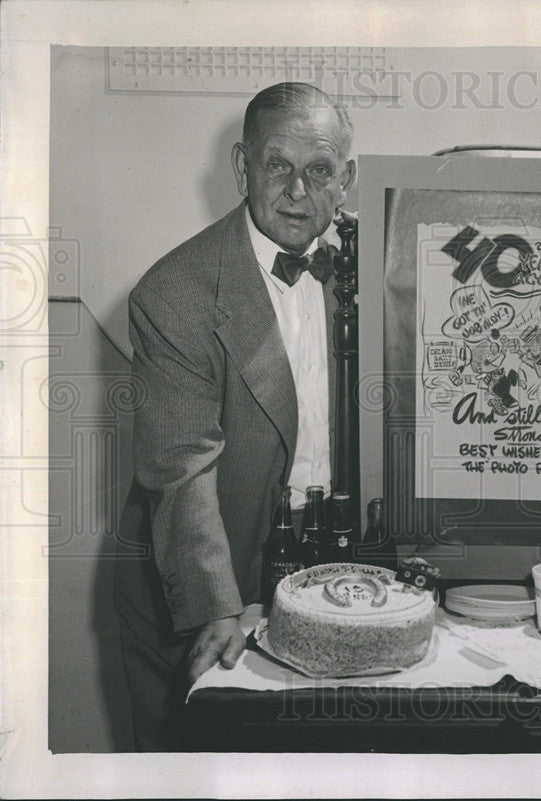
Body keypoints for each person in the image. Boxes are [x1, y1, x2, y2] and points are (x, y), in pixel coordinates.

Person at [113, 82, 356, 751]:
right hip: (198, 568)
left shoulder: (374, 269)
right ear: (242, 166)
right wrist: (216, 603)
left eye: (320, 170)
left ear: (348, 178)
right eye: (278, 165)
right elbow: (180, 466)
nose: (298, 191)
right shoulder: (173, 293)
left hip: (323, 558)